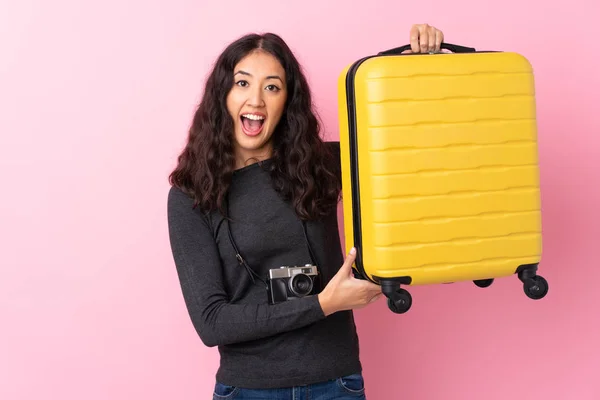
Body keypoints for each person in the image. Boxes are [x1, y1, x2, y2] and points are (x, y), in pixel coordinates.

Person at [167, 23, 445, 399]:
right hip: (248, 389)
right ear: (222, 95)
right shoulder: (191, 194)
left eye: (272, 86)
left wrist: (420, 72)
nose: (256, 101)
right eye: (243, 83)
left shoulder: (323, 164)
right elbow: (212, 322)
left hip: (337, 383)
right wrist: (323, 304)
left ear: (287, 101)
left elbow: (416, 150)